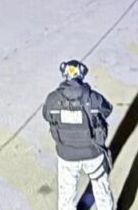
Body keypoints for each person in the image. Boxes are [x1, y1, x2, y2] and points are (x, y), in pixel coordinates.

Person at [42, 60, 115, 210]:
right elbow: (107, 110)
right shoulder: (93, 98)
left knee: (66, 197)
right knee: (102, 191)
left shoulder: (53, 99)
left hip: (66, 155)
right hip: (93, 153)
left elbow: (46, 115)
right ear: (81, 75)